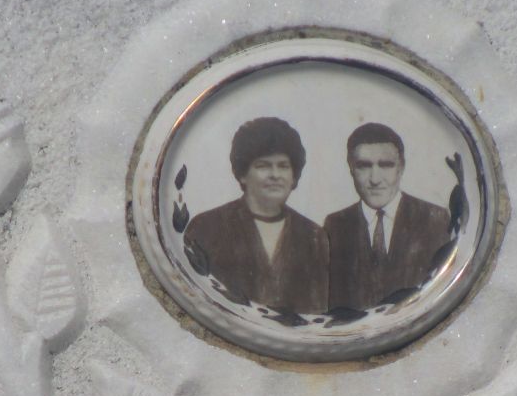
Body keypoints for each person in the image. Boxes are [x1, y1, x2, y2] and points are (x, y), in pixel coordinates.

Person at [181, 117, 329, 313]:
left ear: (294, 175)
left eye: (283, 166)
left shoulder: (313, 235)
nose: (275, 175)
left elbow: (317, 311)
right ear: (242, 173)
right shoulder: (205, 228)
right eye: (263, 166)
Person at [324, 122, 453, 311]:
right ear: (351, 168)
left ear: (401, 167)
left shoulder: (435, 220)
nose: (375, 179)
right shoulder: (335, 226)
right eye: (363, 166)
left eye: (385, 165)